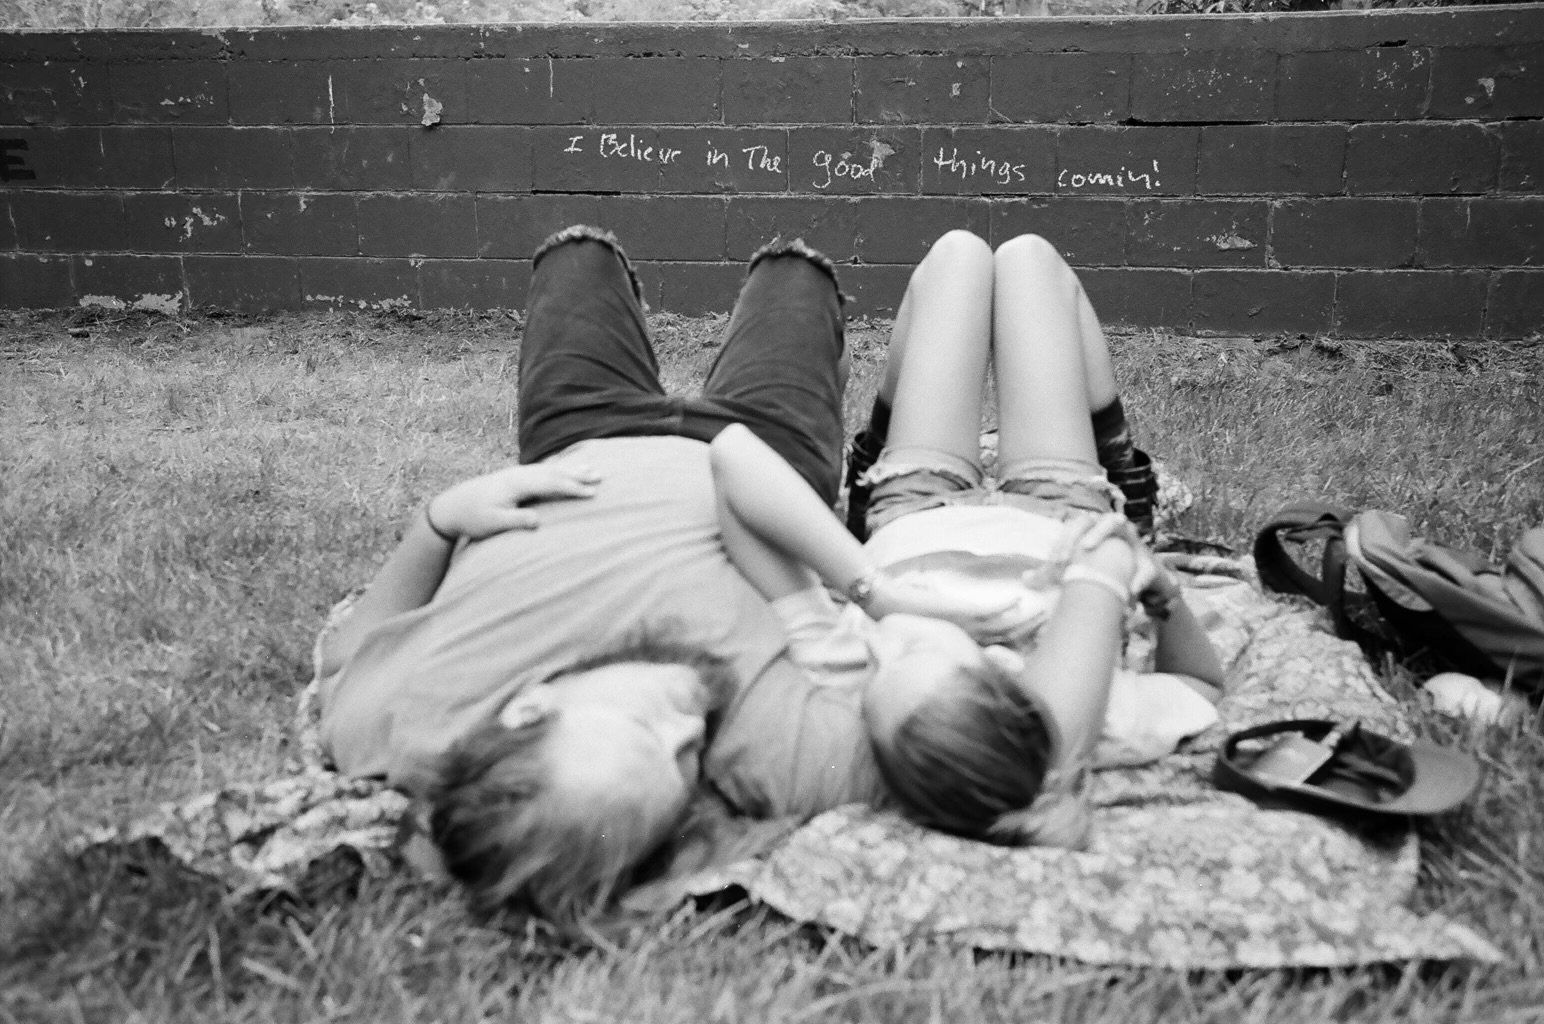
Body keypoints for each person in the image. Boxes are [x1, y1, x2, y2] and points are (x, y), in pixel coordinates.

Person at [312, 226, 1011, 936]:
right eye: (683, 766)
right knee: (794, 277)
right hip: (767, 449)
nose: (687, 722)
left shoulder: (412, 720)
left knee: (576, 258)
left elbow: (343, 655)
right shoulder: (767, 745)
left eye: (647, 726)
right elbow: (986, 765)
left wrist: (438, 523)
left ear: (529, 709)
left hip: (585, 437)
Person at [710, 230, 1226, 847]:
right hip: (1058, 514)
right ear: (999, 679)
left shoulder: (849, 669)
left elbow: (733, 456)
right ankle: (1121, 467)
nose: (889, 648)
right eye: (917, 656)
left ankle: (873, 451)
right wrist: (1161, 593)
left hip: (914, 509)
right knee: (1029, 259)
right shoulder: (1070, 720)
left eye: (883, 671)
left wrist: (878, 597)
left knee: (957, 256)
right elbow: (1201, 687)